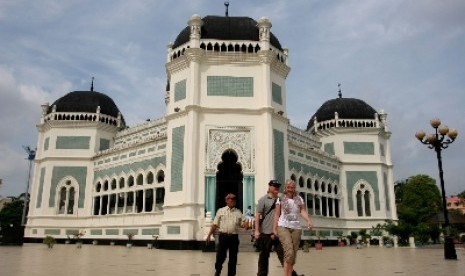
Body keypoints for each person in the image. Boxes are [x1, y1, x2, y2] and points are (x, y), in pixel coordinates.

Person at [255, 180, 301, 276]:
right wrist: (256, 230)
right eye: (274, 185)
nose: (276, 187)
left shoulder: (281, 198)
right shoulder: (263, 200)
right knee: (264, 256)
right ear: (269, 187)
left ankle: (291, 274)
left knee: (285, 255)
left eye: (278, 186)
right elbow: (258, 215)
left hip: (280, 231)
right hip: (266, 232)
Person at [273, 179, 312, 276]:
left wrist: (308, 220)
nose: (290, 189)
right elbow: (277, 214)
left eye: (292, 187)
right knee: (289, 252)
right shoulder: (280, 198)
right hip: (283, 226)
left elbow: (302, 211)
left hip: (296, 228)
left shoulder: (299, 199)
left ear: (294, 188)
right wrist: (274, 228)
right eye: (288, 187)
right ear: (285, 188)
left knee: (293, 255)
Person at [206, 193, 248, 276]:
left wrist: (246, 225)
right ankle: (218, 270)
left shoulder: (238, 212)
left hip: (234, 237)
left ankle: (231, 274)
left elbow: (242, 223)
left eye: (234, 199)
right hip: (223, 237)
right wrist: (209, 235)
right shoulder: (221, 211)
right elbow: (215, 224)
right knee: (220, 256)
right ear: (226, 200)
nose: (232, 200)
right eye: (230, 199)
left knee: (233, 258)